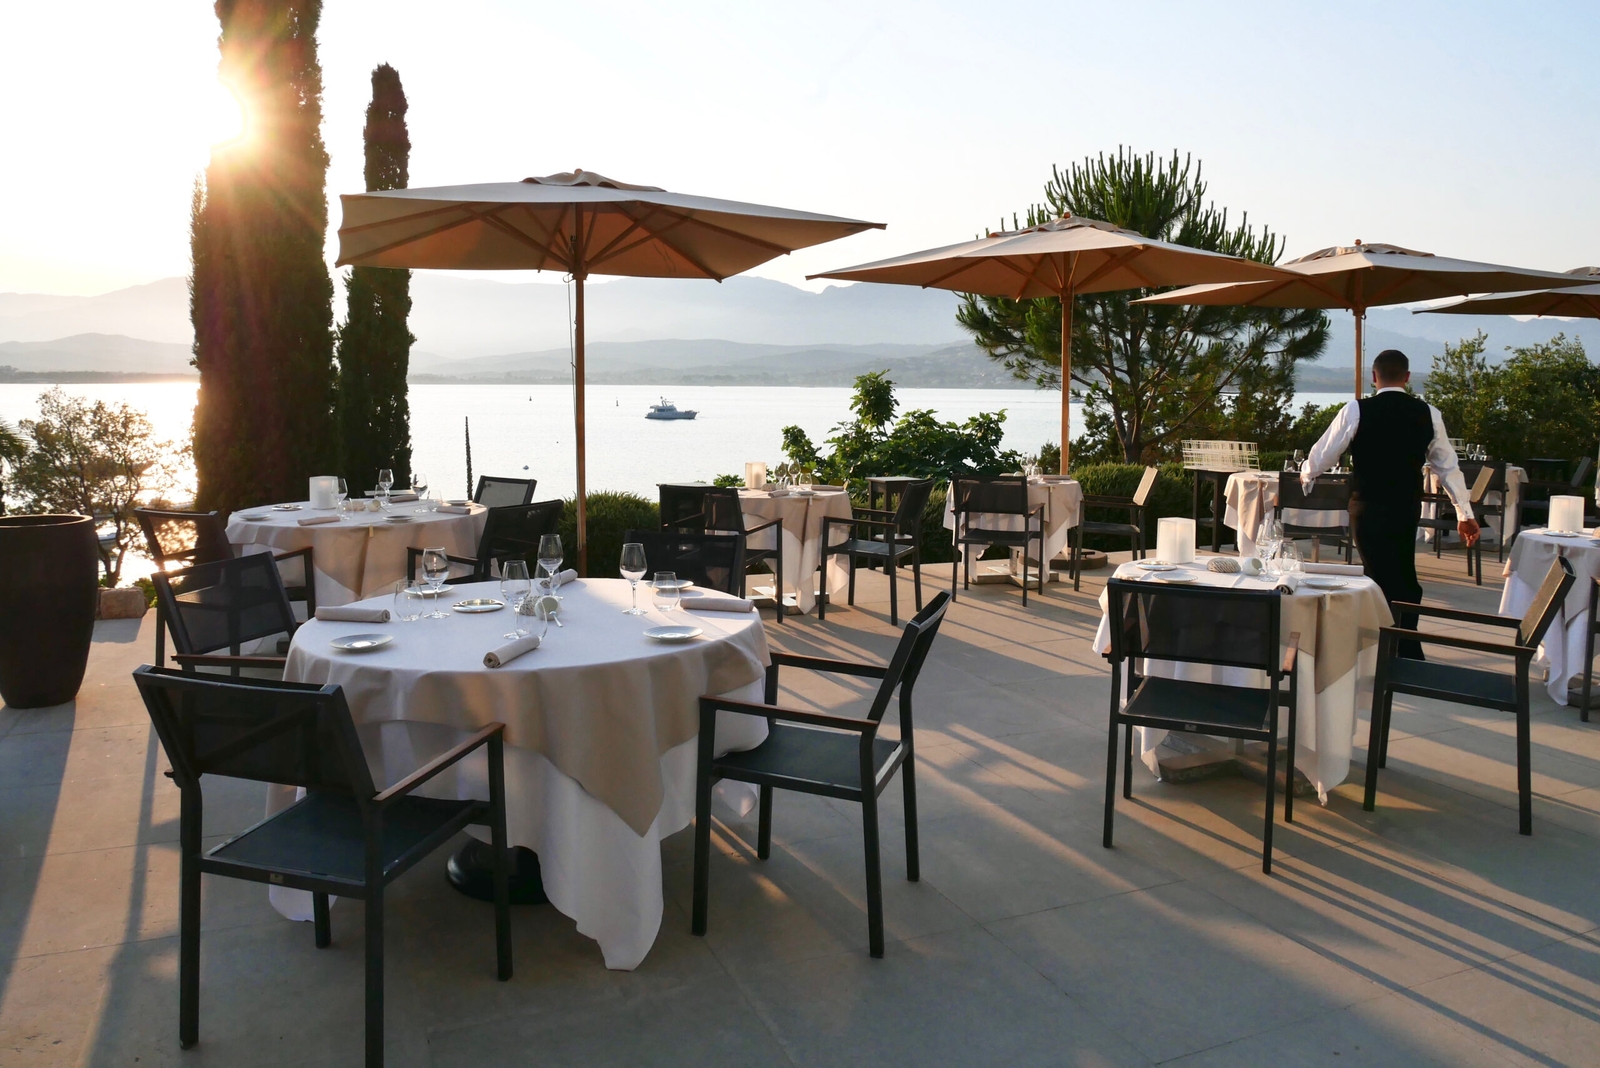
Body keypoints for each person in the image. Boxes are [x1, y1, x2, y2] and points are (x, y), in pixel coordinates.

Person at [1300, 349, 1480, 658]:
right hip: (1405, 507)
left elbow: (1325, 453)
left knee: (1383, 574)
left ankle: (1389, 647)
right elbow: (1448, 467)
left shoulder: (1356, 409)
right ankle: (1396, 644)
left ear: (1374, 377)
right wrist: (1464, 513)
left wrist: (1307, 476)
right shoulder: (1428, 413)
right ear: (1407, 378)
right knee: (1396, 570)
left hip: (1366, 506)